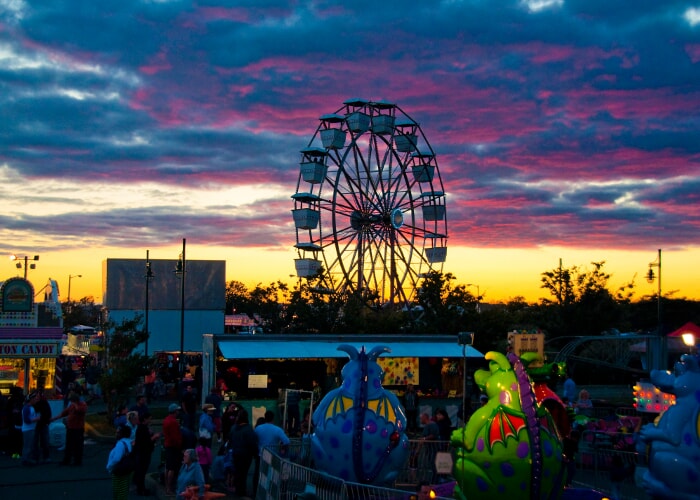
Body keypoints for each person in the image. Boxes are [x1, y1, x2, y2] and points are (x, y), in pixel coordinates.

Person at [226, 409, 258, 497]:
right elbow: (253, 443)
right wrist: (255, 454)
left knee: (238, 473)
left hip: (236, 453)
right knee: (243, 474)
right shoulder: (248, 429)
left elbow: (229, 439)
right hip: (245, 455)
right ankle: (241, 491)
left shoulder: (234, 428)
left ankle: (238, 490)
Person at [52, 392, 88, 466]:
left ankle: (77, 461)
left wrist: (75, 405)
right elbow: (64, 413)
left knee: (78, 445)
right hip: (70, 428)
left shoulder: (82, 405)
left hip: (78, 428)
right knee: (69, 445)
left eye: (72, 401)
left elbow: (79, 410)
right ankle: (67, 460)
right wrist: (53, 418)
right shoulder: (71, 406)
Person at [133, 411, 160, 496]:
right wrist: (154, 437)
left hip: (143, 452)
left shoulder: (143, 428)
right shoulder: (142, 428)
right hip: (143, 453)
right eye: (149, 419)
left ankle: (141, 488)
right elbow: (144, 442)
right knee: (142, 471)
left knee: (141, 471)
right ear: (145, 419)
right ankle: (141, 489)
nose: (150, 421)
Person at [106, 424, 134, 500]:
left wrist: (109, 466)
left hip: (119, 471)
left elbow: (116, 459)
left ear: (122, 434)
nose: (116, 434)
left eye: (118, 432)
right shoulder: (130, 442)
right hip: (128, 470)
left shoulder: (120, 444)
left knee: (118, 492)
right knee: (124, 492)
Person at [163, 403, 184, 495]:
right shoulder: (173, 422)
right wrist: (179, 445)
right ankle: (169, 488)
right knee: (172, 468)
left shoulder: (166, 420)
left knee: (168, 467)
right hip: (173, 447)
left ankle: (167, 486)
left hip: (168, 445)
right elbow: (175, 437)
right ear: (175, 411)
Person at [32, 389, 52, 463]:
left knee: (44, 442)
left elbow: (48, 413)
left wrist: (47, 421)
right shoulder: (33, 404)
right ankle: (36, 457)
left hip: (42, 424)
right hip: (37, 425)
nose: (37, 397)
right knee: (35, 442)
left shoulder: (43, 403)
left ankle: (44, 457)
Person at [21, 392, 40, 466]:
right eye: (34, 398)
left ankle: (28, 459)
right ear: (30, 399)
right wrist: (37, 419)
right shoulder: (26, 408)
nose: (36, 399)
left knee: (30, 445)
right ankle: (25, 460)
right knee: (27, 446)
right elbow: (26, 420)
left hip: (31, 428)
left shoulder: (31, 407)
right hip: (28, 429)